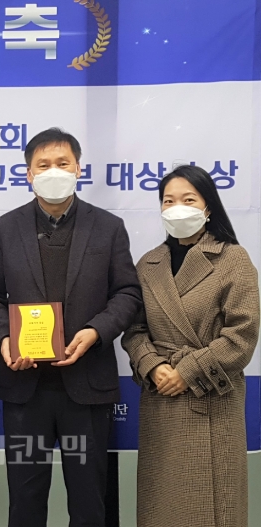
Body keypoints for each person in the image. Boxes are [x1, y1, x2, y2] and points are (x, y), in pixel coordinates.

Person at [0, 127, 142, 527]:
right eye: (43, 164)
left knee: (89, 503)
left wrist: (96, 331)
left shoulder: (108, 227)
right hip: (24, 387)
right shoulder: (4, 228)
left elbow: (127, 292)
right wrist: (4, 339)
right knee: (25, 502)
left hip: (87, 384)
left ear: (78, 169)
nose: (53, 171)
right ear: (28, 173)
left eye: (62, 163)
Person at [121, 165, 260, 527]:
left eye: (188, 200)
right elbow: (133, 329)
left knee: (211, 510)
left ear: (207, 207)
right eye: (168, 201)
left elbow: (242, 334)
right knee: (162, 506)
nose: (177, 208)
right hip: (161, 398)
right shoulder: (148, 264)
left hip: (211, 398)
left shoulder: (233, 259)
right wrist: (153, 365)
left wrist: (187, 371)